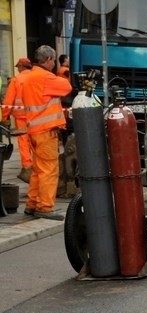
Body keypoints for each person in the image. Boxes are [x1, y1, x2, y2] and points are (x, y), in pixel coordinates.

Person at [21, 45, 72, 220]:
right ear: (49, 60)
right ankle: (44, 207)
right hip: (45, 131)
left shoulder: (29, 77)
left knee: (38, 170)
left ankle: (32, 204)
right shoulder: (45, 78)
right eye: (53, 60)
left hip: (34, 130)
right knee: (49, 170)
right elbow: (66, 87)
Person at [2, 57, 34, 183]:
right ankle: (37, 165)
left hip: (21, 116)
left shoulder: (16, 80)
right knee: (35, 140)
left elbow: (8, 101)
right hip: (36, 115)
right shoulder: (36, 77)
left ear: (21, 66)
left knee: (23, 141)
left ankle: (27, 167)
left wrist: (4, 117)